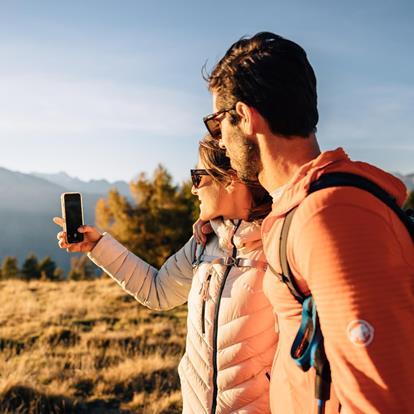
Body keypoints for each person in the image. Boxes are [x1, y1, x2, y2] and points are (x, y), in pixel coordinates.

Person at [203, 31, 414, 413]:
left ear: (246, 117)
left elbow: (383, 399)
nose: (218, 141)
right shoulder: (301, 207)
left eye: (218, 122)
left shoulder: (331, 217)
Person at [54, 134, 277, 414]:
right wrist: (97, 246)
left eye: (198, 177)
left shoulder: (281, 246)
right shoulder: (204, 243)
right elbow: (158, 292)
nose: (193, 190)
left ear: (231, 178)